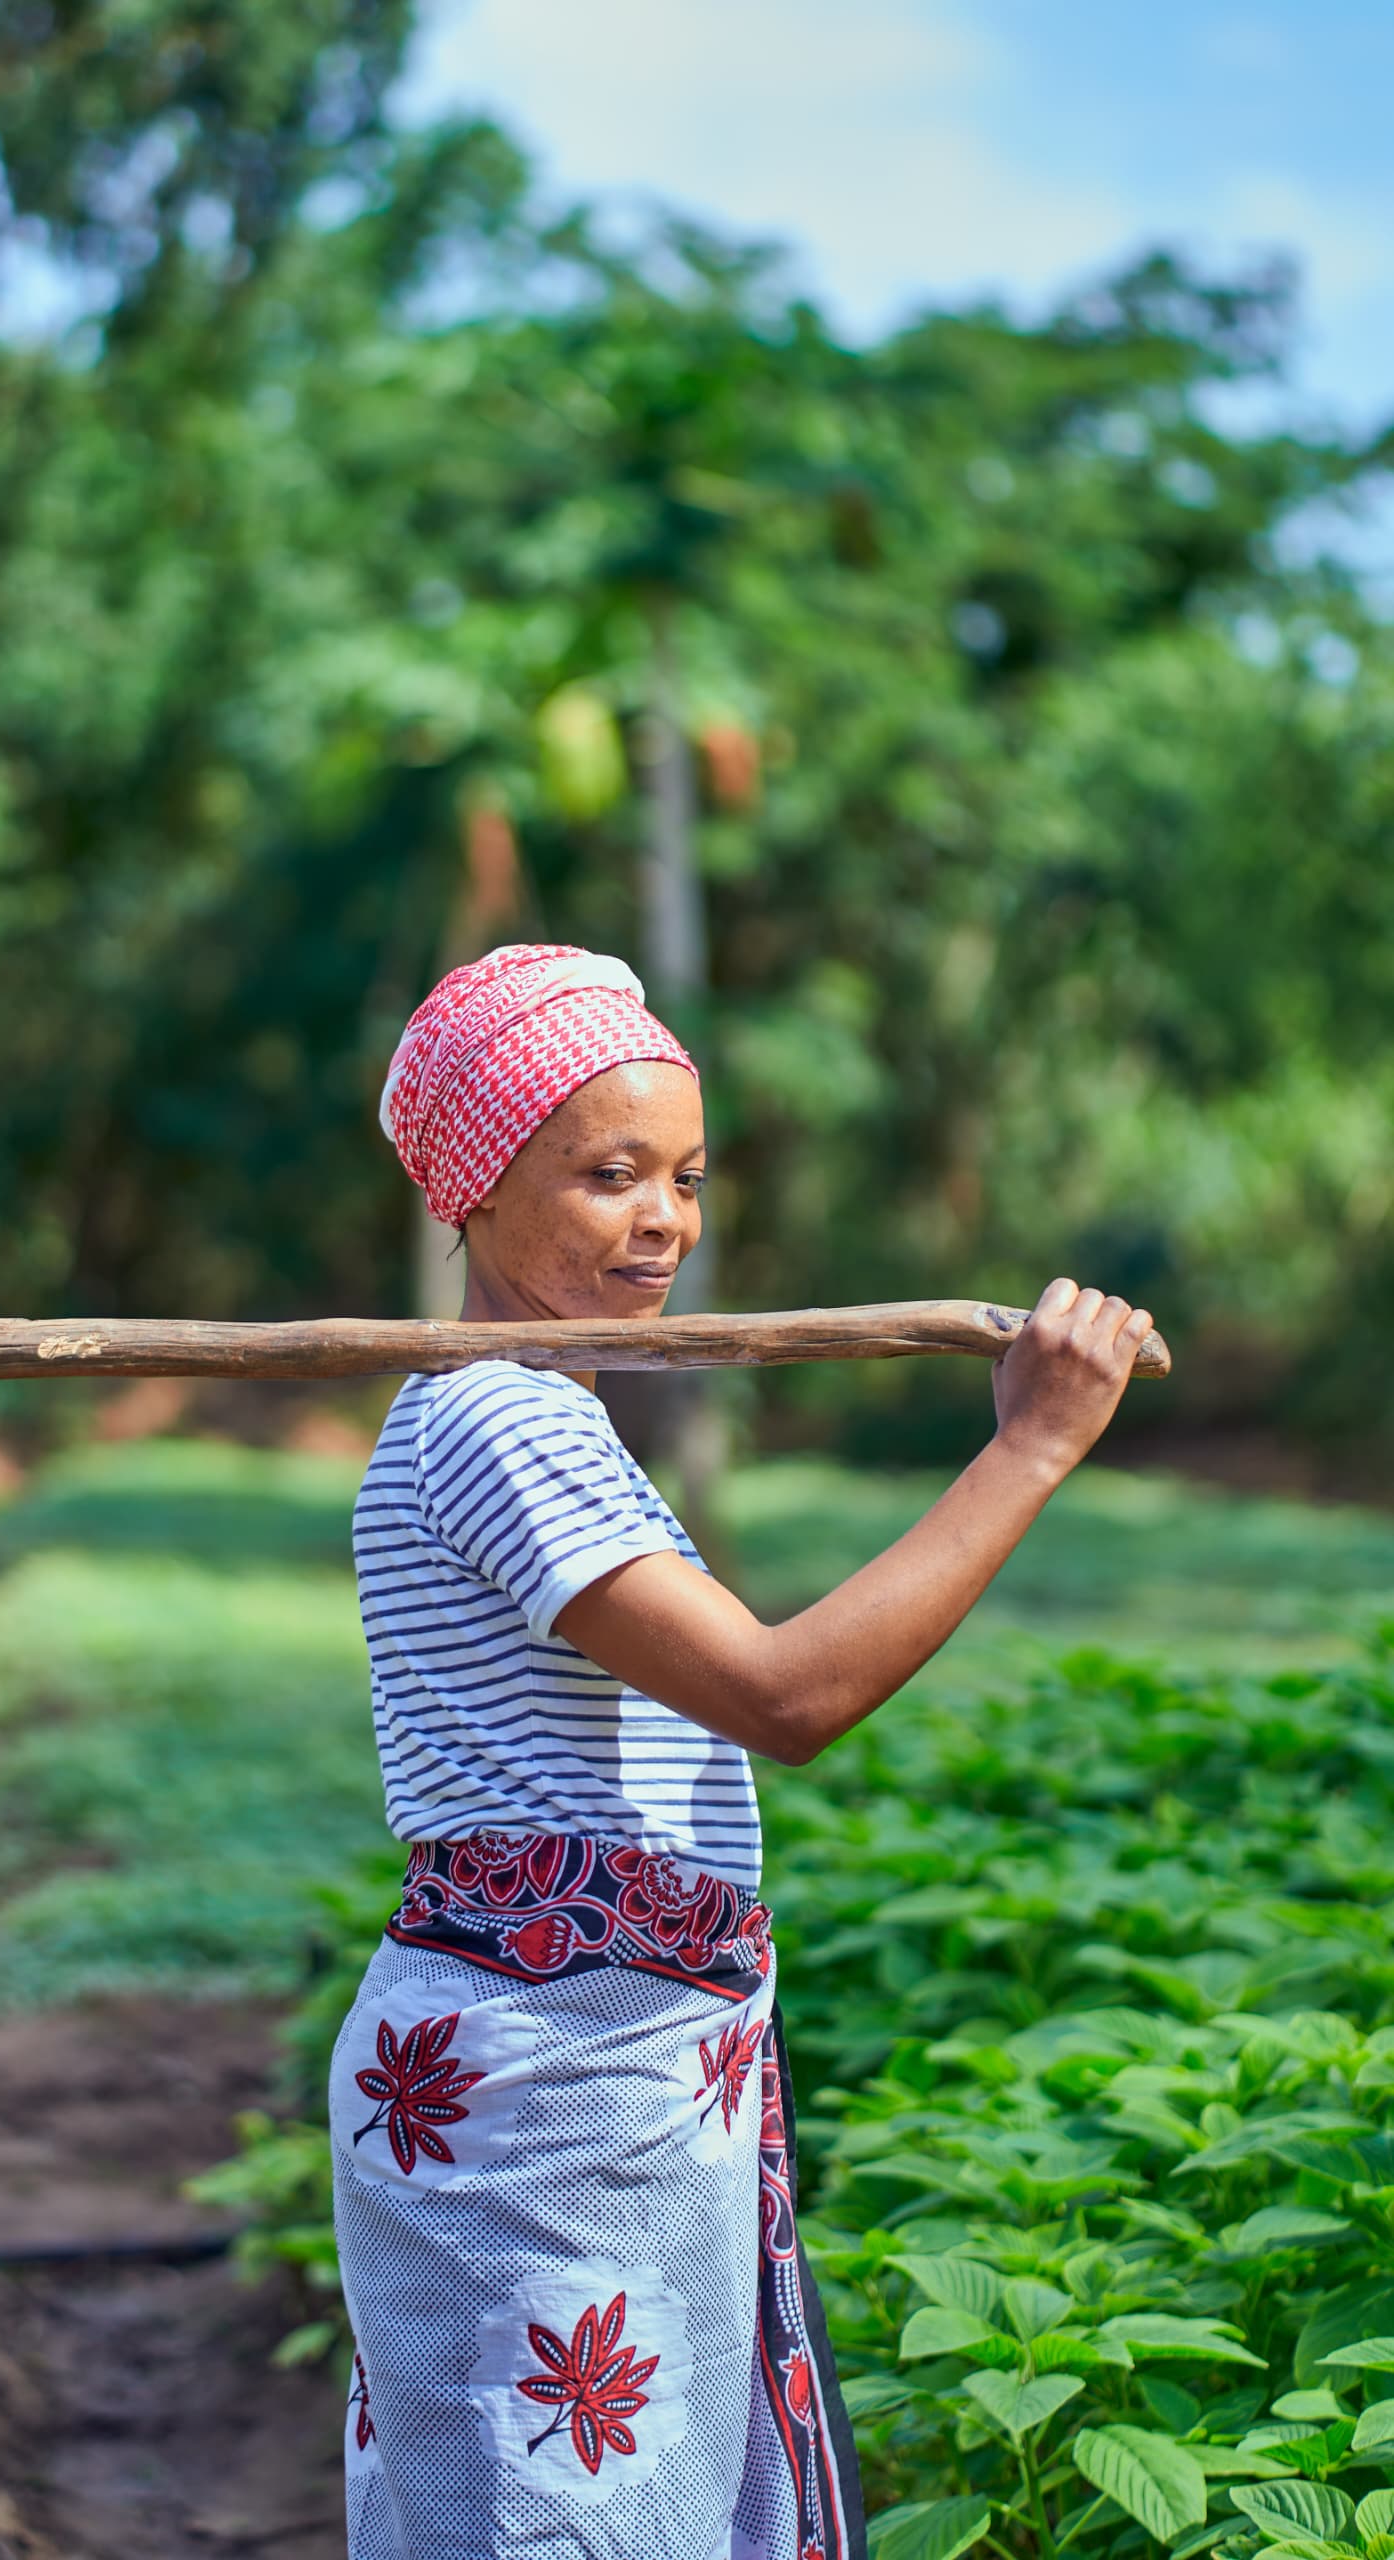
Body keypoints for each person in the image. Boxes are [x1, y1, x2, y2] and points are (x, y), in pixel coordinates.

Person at [331, 942, 1156, 2560]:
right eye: (608, 1174)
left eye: (687, 1178)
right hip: (547, 2071)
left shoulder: (530, 1412)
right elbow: (786, 1697)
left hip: (590, 2049)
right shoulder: (498, 1420)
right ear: (474, 1188)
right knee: (572, 2521)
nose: (664, 1224)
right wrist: (1034, 1448)